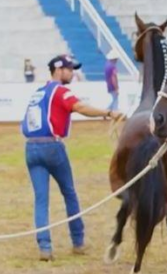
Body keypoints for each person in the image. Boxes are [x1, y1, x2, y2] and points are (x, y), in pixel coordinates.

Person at [21, 54, 126, 261]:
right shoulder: (61, 91)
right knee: (69, 193)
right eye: (69, 69)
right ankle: (78, 242)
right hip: (52, 146)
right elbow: (79, 107)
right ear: (58, 71)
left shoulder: (39, 92)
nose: (72, 73)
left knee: (41, 200)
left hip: (31, 147)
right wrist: (108, 113)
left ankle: (45, 248)